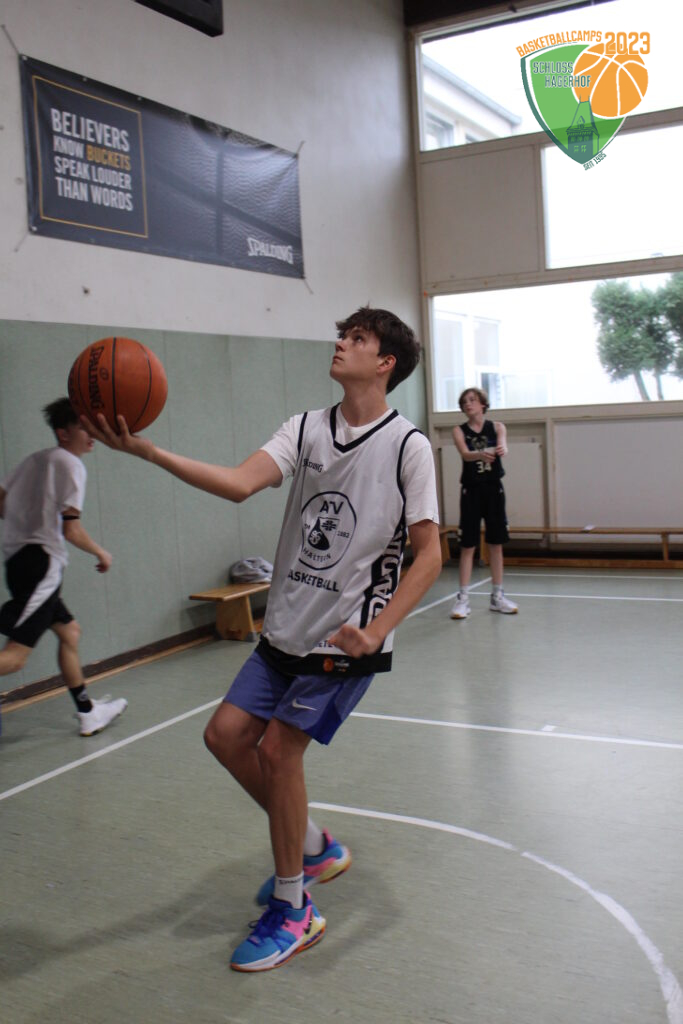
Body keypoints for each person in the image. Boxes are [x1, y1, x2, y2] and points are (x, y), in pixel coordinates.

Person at [84, 307, 442, 972]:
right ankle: (315, 848)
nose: (340, 344)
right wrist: (149, 452)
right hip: (285, 627)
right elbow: (238, 484)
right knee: (224, 736)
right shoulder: (304, 428)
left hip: (343, 639)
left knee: (279, 753)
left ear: (385, 362)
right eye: (342, 335)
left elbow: (430, 554)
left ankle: (294, 908)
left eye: (356, 338)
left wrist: (378, 630)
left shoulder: (407, 447)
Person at [0, 398, 127, 735]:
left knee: (70, 632)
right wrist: (101, 553)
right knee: (16, 656)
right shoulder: (72, 465)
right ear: (63, 433)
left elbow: (1, 500)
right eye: (84, 427)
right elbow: (72, 530)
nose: (92, 434)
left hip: (19, 561)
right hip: (42, 565)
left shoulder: (35, 460)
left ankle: (88, 712)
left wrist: (26, 522)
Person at [449, 387, 518, 619]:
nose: (468, 404)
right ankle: (463, 599)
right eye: (464, 402)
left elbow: (503, 445)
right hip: (471, 490)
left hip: (494, 489)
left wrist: (502, 449)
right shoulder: (459, 430)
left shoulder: (497, 427)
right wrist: (480, 455)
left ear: (483, 404)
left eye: (472, 400)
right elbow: (465, 454)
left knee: (496, 544)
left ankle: (497, 596)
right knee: (468, 545)